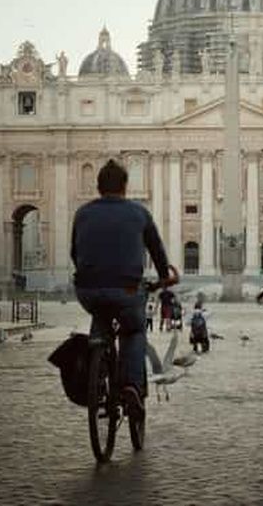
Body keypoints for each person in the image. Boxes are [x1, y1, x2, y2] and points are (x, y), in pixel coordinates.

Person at [70, 159, 175, 419]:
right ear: (126, 186)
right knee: (134, 330)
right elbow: (157, 252)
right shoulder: (139, 213)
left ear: (98, 186)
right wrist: (164, 278)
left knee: (100, 314)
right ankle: (131, 385)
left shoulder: (82, 213)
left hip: (87, 289)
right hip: (127, 289)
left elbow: (75, 252)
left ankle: (97, 374)